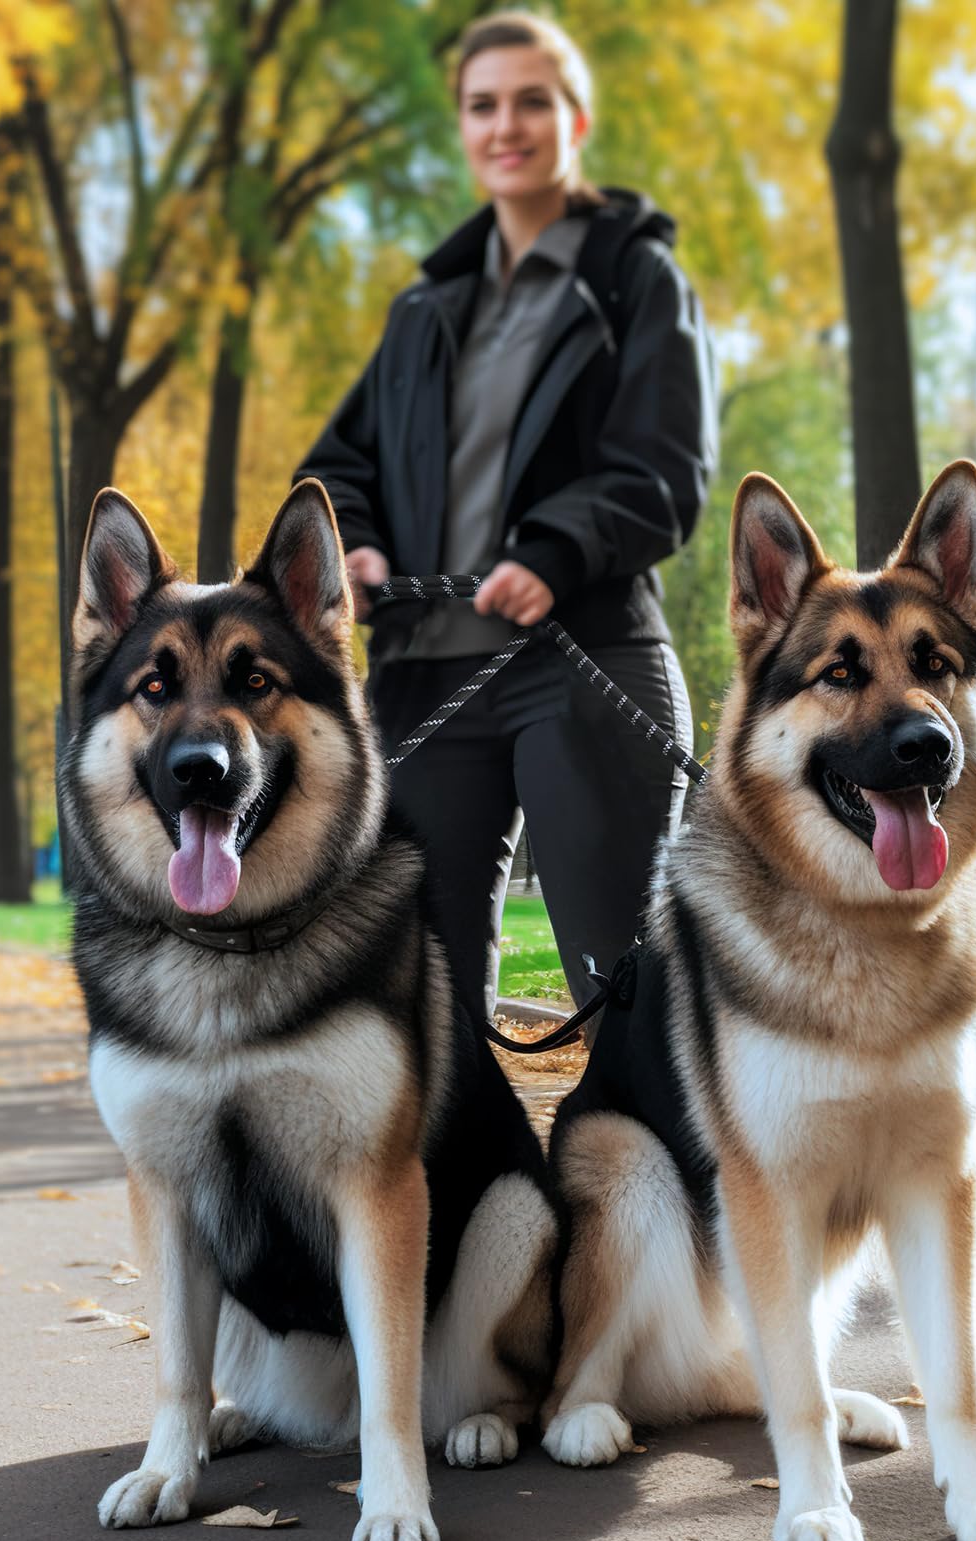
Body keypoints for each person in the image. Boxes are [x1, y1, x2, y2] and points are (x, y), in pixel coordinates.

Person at [295, 10, 717, 1025]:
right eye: (482, 106)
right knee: (424, 1008)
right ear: (463, 127)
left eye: (532, 101)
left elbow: (666, 468)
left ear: (577, 120)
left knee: (620, 992)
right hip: (423, 679)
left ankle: (646, 1133)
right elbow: (336, 466)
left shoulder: (634, 282)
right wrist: (357, 546)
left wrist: (554, 551)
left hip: (581, 664)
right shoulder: (423, 310)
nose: (505, 126)